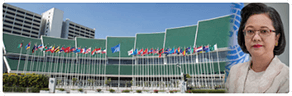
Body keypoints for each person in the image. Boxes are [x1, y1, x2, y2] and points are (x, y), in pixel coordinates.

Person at [226, 3, 288, 93]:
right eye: (250, 31)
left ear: (276, 38)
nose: (256, 38)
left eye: (264, 31)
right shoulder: (234, 72)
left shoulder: (286, 78)